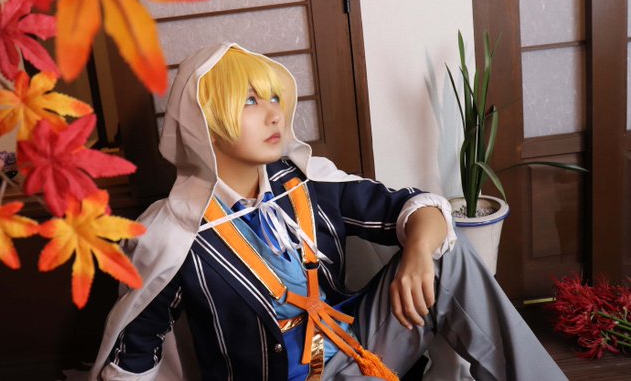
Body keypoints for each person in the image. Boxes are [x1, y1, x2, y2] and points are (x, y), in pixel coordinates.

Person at [91, 43, 566, 380]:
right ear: (205, 124)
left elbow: (415, 207)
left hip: (359, 355)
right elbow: (134, 356)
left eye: (274, 98)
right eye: (250, 101)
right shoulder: (174, 235)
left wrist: (419, 254)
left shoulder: (307, 182)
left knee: (445, 255)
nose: (274, 114)